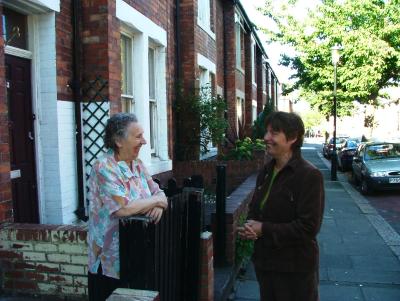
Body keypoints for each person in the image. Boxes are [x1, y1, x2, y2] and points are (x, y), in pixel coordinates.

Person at [238, 111, 325, 301]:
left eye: (274, 133)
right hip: (266, 264)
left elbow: (308, 228)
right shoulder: (266, 171)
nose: (266, 138)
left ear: (293, 138)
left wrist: (263, 229)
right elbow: (256, 210)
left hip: (295, 270)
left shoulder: (309, 175)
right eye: (267, 131)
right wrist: (251, 227)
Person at [87, 113, 168, 301]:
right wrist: (155, 201)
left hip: (138, 255)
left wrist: (160, 204)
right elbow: (122, 209)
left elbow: (160, 193)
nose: (144, 141)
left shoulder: (137, 165)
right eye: (138, 136)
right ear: (118, 141)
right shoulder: (104, 167)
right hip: (110, 262)